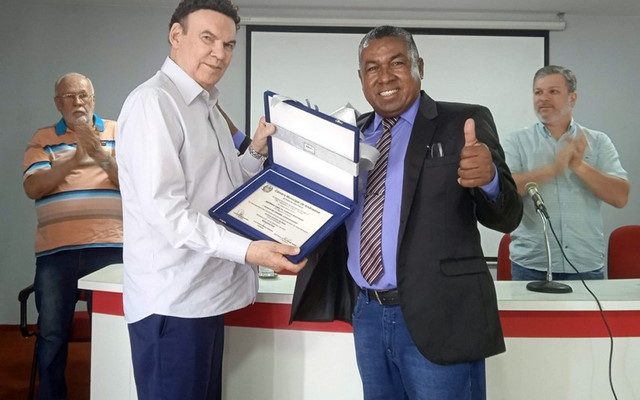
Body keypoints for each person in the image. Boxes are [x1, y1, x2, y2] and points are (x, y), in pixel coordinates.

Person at [291, 26, 523, 400]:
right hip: (366, 313)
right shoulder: (349, 134)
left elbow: (508, 217)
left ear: (420, 66)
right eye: (372, 67)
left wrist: (491, 179)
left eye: (397, 63)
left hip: (442, 315)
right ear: (361, 78)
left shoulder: (462, 122)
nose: (384, 76)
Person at [115, 1, 305, 399]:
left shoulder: (208, 107)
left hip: (203, 298)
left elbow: (226, 187)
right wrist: (250, 250)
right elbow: (167, 213)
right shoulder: (155, 104)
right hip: (173, 302)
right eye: (208, 38)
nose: (220, 53)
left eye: (229, 44)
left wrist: (254, 150)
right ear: (176, 36)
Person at [22, 72, 123, 400]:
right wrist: (74, 160)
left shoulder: (117, 130)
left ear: (92, 98)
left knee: (114, 332)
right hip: (57, 253)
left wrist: (100, 155)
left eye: (83, 95)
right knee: (51, 333)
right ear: (57, 103)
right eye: (69, 96)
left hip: (110, 249)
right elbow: (33, 186)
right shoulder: (43, 137)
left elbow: (135, 185)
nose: (77, 102)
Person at [503, 65, 629, 281]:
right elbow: (506, 188)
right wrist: (554, 169)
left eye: (553, 91)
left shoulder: (598, 142)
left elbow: (620, 196)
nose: (543, 98)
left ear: (572, 98)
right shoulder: (516, 141)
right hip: (532, 265)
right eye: (538, 92)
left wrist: (579, 165)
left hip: (585, 264)